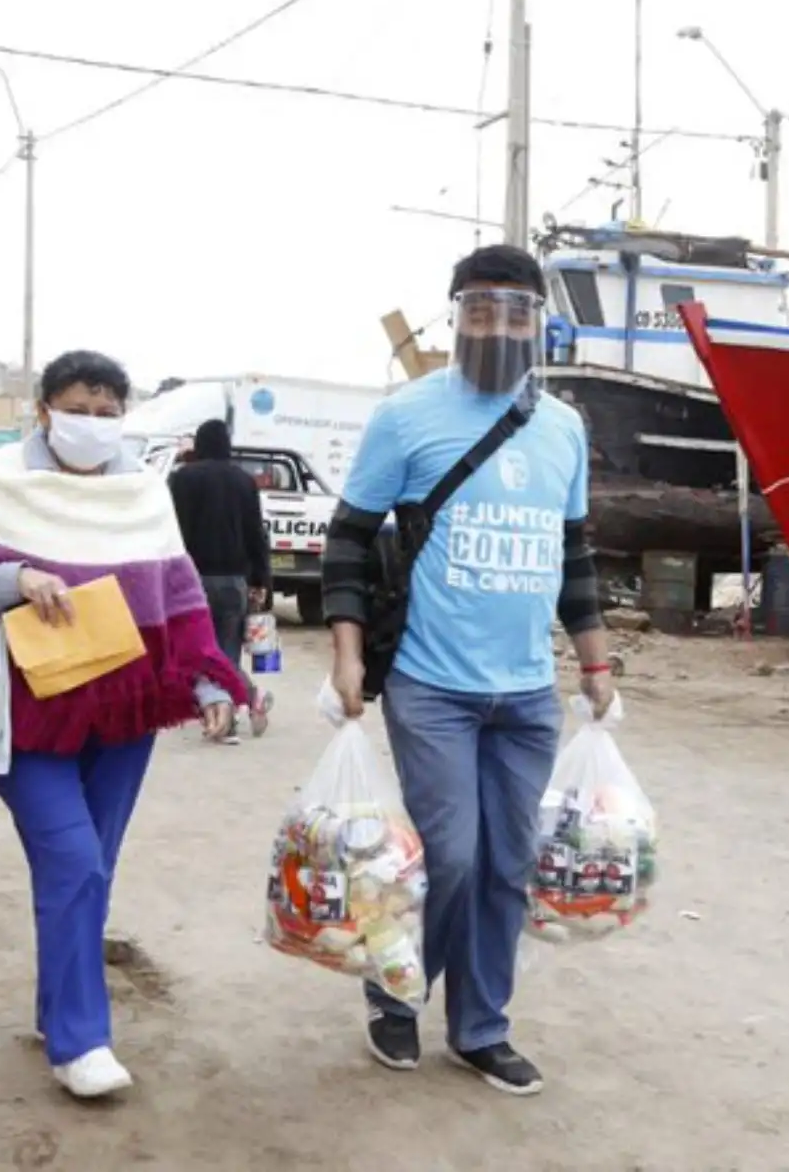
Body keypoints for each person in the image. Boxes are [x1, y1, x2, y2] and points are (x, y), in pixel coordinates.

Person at [0, 349, 247, 1100]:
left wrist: (205, 676)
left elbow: (179, 595)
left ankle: (55, 1006)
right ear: (43, 411)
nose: (92, 425)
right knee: (73, 860)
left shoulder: (145, 493)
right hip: (25, 716)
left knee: (93, 866)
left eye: (106, 411)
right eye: (77, 409)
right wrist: (11, 578)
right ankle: (80, 1041)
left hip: (125, 714)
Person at [320, 244, 614, 1096]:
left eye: (517, 311)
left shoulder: (563, 428)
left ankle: (481, 1027)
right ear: (454, 316)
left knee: (508, 861)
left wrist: (595, 663)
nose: (498, 325)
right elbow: (347, 538)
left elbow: (573, 553)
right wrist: (345, 654)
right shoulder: (405, 418)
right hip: (430, 680)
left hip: (525, 690)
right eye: (480, 308)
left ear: (541, 323)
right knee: (449, 853)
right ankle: (397, 994)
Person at [167, 418, 274, 741]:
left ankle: (226, 718)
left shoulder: (181, 479)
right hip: (233, 581)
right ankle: (248, 699)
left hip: (190, 581)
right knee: (225, 651)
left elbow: (169, 532)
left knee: (196, 651)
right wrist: (261, 582)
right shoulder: (244, 481)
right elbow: (257, 533)